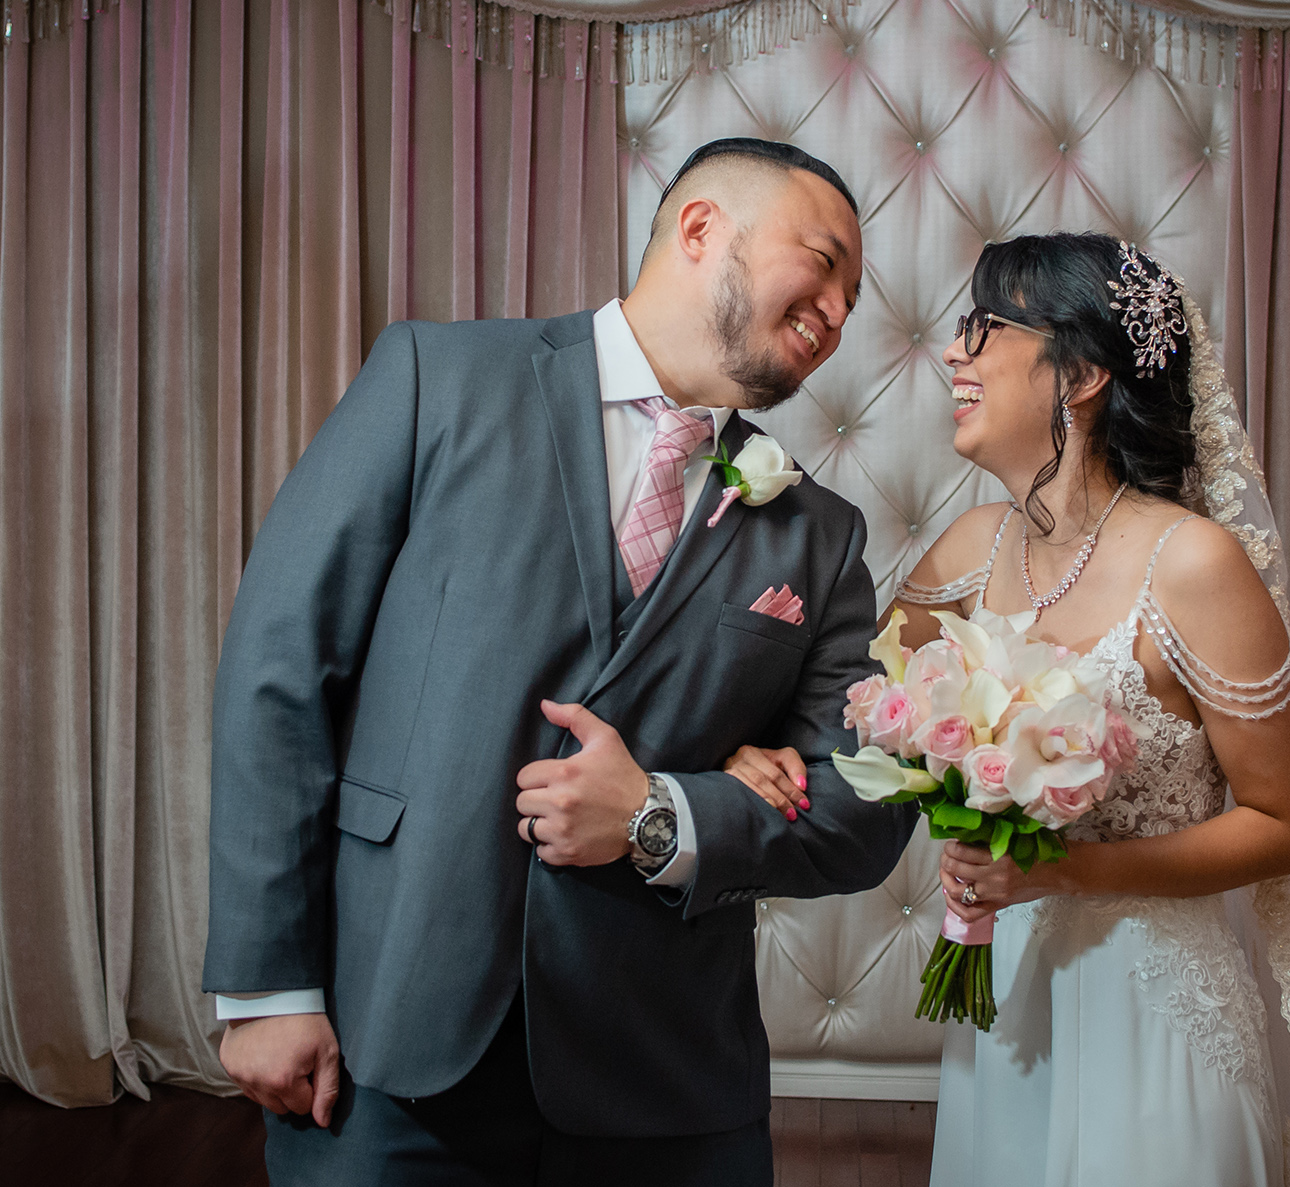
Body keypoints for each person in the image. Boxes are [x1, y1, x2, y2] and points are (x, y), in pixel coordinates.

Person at [201, 137, 917, 1187]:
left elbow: (865, 801)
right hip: (393, 1037)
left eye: (858, 299)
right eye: (825, 263)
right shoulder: (434, 379)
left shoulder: (822, 535)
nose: (842, 313)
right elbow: (280, 669)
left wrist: (660, 811)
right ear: (702, 227)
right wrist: (268, 986)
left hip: (664, 1077)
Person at [729, 233, 1290, 1185]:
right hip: (1014, 1009)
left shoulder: (1192, 564)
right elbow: (848, 698)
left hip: (1156, 1016)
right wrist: (758, 748)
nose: (956, 352)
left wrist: (1066, 869)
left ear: (1079, 373)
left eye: (985, 329)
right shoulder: (972, 550)